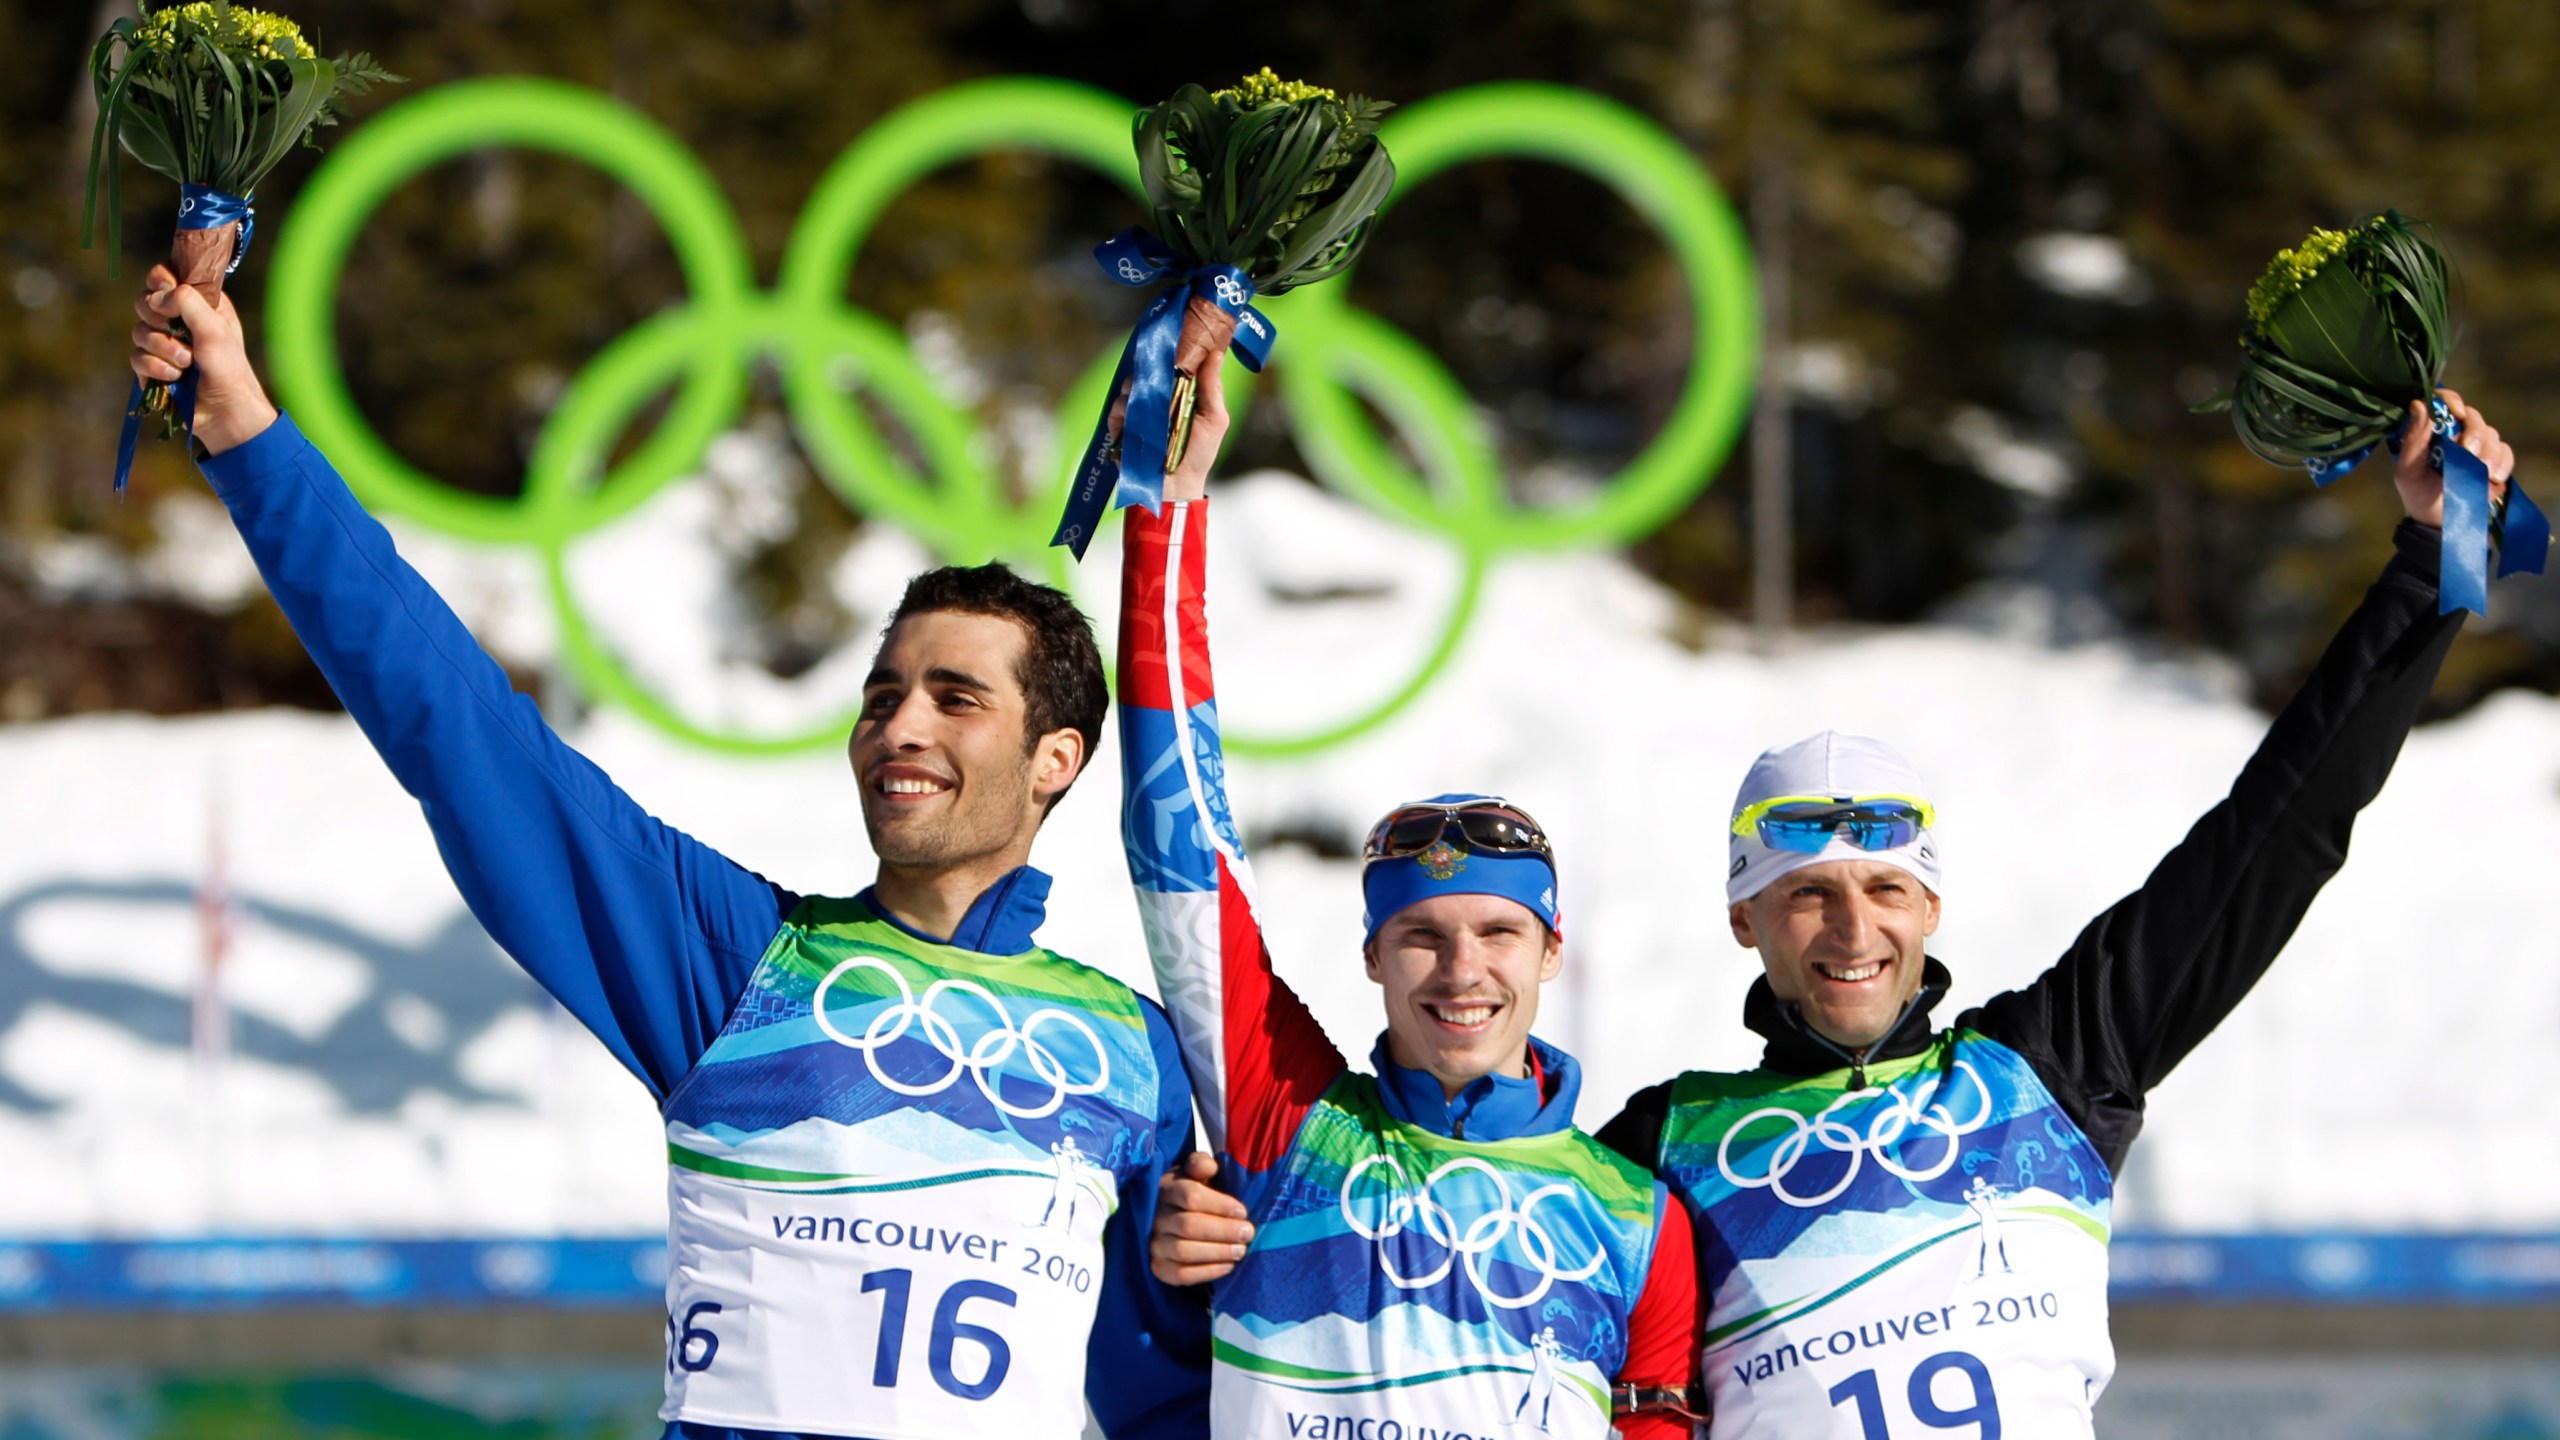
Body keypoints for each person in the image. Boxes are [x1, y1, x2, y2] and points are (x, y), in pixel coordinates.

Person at [1150, 387, 2514, 1438]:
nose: (1848, 928)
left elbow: (2279, 833)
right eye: (1803, 893)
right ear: (1746, 920)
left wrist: (2420, 564)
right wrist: (1224, 1233)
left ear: (1929, 907)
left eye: (1881, 890)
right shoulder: (1657, 1154)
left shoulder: (2053, 1070)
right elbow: (1451, 1244)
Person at [129, 268, 1206, 1440]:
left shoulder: (1133, 1054)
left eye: (956, 700)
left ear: (1056, 757)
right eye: (883, 694)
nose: (899, 726)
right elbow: (458, 729)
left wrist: (1204, 1281)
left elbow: (1169, 1396)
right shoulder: (744, 961)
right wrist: (247, 437)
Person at [1115, 347, 1701, 1440]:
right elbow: (1176, 843)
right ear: (1373, 958)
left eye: (1496, 931)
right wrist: (1170, 508)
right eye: (1420, 935)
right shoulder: (1285, 1127)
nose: (1462, 969)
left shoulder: (1634, 1224)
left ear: (1551, 951)